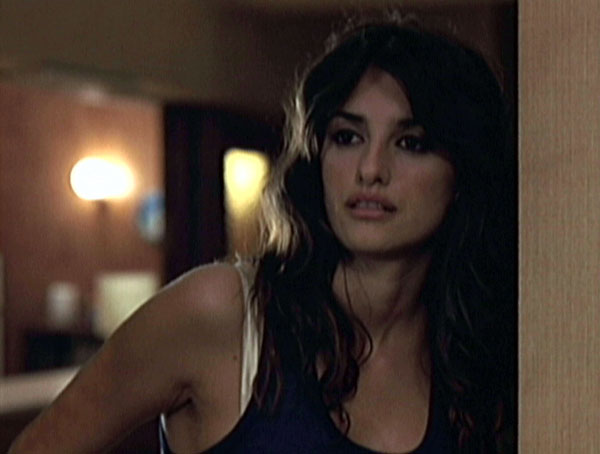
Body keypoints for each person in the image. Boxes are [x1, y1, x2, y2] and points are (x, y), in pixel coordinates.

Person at [9, 14, 515, 454]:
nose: (370, 169)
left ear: (462, 175)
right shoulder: (222, 313)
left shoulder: (477, 360)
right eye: (347, 137)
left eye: (411, 142)